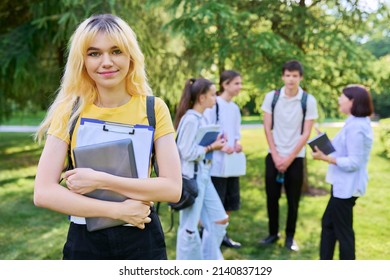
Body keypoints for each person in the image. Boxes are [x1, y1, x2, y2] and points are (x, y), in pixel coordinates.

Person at [34, 14, 181, 260]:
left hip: (141, 237)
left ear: (130, 56)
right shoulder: (69, 111)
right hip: (86, 242)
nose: (106, 62)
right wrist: (118, 211)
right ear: (82, 61)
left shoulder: (154, 109)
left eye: (116, 51)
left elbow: (172, 188)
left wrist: (102, 180)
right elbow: (43, 192)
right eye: (94, 53)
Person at [260, 60, 318, 251]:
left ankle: (290, 237)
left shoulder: (308, 100)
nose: (291, 79)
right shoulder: (272, 97)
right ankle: (272, 233)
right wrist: (276, 156)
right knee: (272, 197)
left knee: (293, 200)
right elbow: (267, 128)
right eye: (288, 75)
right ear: (283, 76)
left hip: (296, 157)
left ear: (300, 77)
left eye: (295, 75)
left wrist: (289, 158)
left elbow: (306, 133)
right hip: (273, 154)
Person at [312, 85, 374, 260]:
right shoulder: (353, 122)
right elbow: (344, 150)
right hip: (342, 186)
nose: (339, 99)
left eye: (342, 96)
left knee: (343, 232)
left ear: (352, 101)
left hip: (347, 188)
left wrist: (324, 158)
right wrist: (325, 142)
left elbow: (353, 162)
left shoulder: (357, 127)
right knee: (329, 225)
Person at [174, 78, 229, 260]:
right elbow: (186, 152)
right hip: (193, 178)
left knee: (219, 220)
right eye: (213, 94)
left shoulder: (200, 118)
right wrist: (211, 147)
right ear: (202, 97)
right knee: (189, 229)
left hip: (204, 176)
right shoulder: (190, 119)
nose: (216, 98)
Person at [204, 70, 243, 248]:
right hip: (216, 165)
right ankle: (209, 234)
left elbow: (236, 133)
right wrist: (220, 145)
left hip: (232, 164)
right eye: (236, 83)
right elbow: (207, 132)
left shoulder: (235, 108)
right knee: (215, 201)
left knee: (229, 201)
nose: (239, 87)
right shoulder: (214, 105)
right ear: (225, 84)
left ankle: (222, 234)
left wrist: (237, 144)